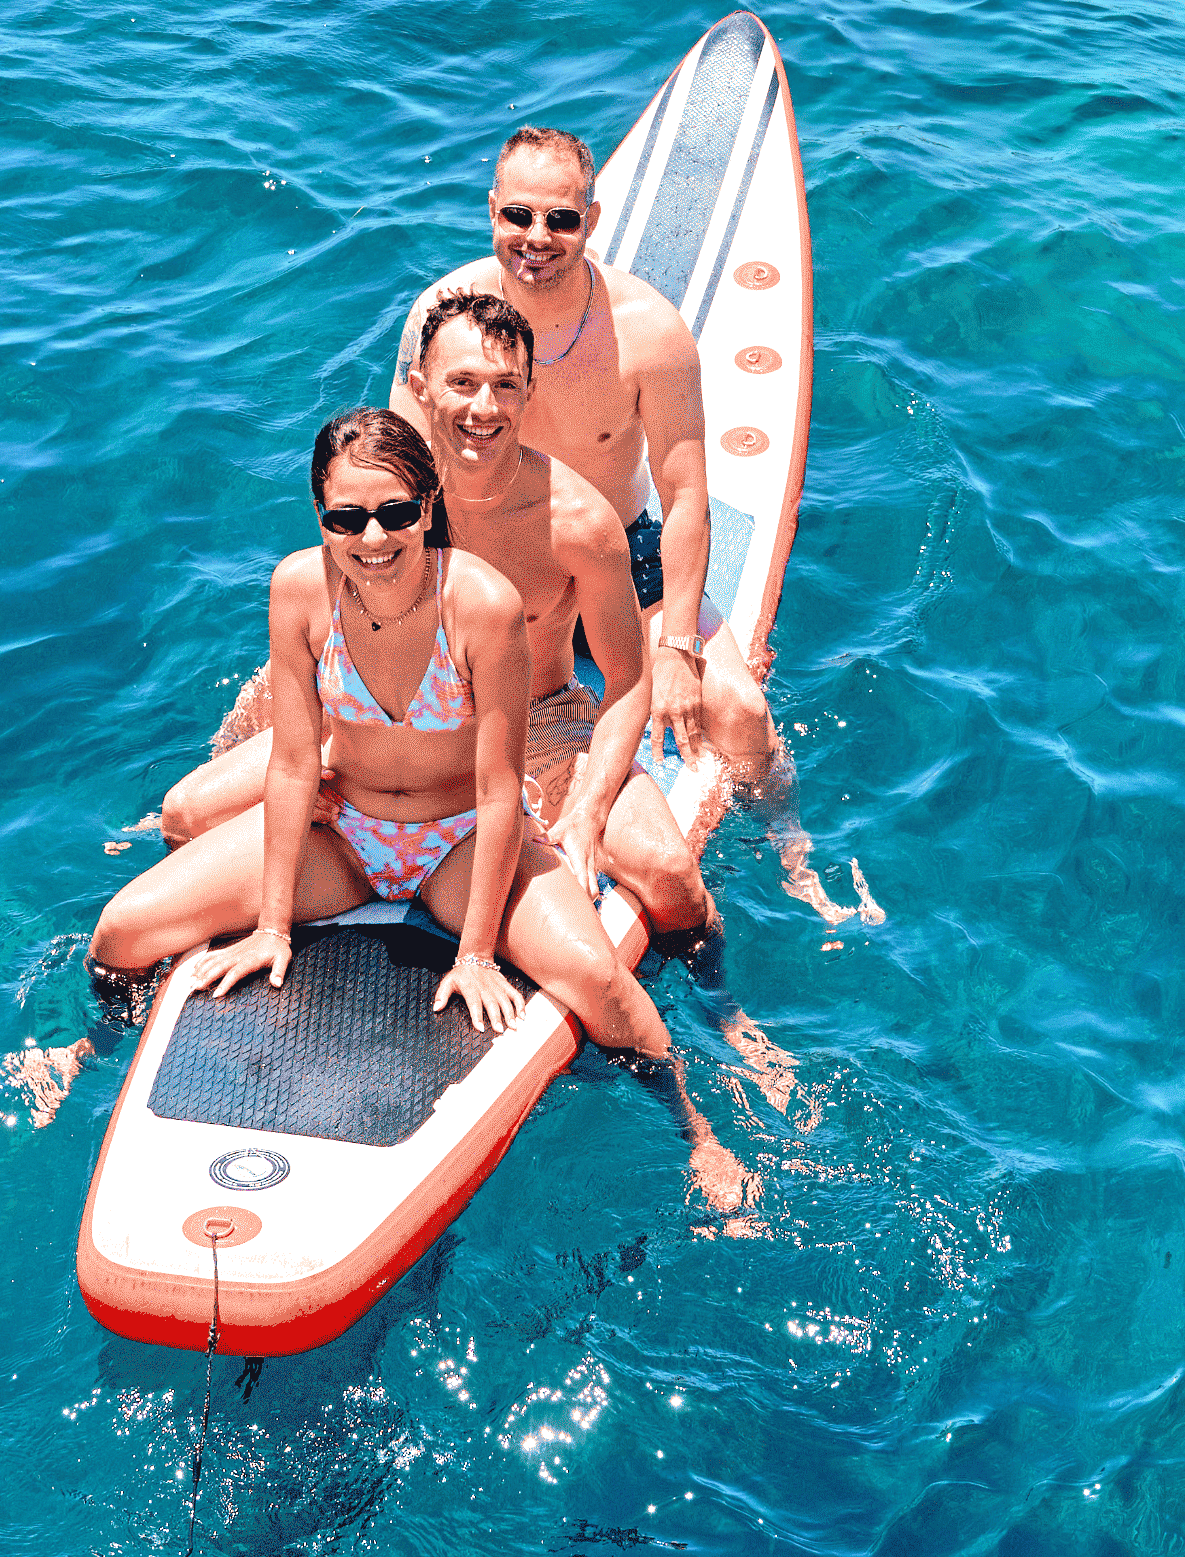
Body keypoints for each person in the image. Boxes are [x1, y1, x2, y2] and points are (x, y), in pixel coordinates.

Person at [45, 407, 753, 1213]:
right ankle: (89, 1047)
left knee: (607, 989)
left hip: (459, 841)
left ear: (428, 506)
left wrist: (478, 952)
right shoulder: (298, 591)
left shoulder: (482, 602)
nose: (372, 537)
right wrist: (273, 925)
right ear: (321, 516)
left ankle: (698, 1132)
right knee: (122, 930)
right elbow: (288, 762)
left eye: (395, 512)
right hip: (348, 839)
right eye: (347, 516)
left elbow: (497, 792)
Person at [402, 124, 881, 926]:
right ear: (491, 210)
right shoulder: (442, 313)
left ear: (592, 217)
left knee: (740, 711)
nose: (537, 238)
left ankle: (791, 850)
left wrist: (679, 648)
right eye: (518, 215)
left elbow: (687, 493)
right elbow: (404, 475)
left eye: (560, 219)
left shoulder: (648, 332)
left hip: (620, 557)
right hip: (487, 563)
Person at [155, 292, 717, 939]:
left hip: (537, 729)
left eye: (505, 385)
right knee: (184, 813)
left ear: (529, 391)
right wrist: (302, 763)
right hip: (382, 733)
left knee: (673, 876)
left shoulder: (578, 524)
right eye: (463, 383)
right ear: (421, 389)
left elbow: (627, 682)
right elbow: (325, 620)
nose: (483, 408)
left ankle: (719, 1010)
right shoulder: (387, 501)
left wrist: (589, 810)